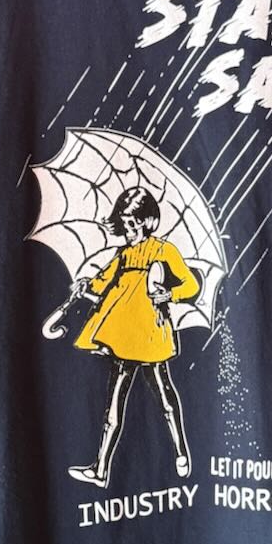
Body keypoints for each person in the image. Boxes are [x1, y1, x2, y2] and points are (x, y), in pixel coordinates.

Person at [69, 186, 200, 488]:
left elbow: (191, 285)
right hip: (122, 336)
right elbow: (102, 283)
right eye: (124, 223)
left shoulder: (164, 250)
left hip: (151, 333)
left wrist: (169, 295)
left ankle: (182, 452)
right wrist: (86, 284)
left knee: (165, 397)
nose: (127, 230)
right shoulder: (123, 254)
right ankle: (101, 469)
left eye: (131, 223)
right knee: (113, 404)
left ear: (145, 220)